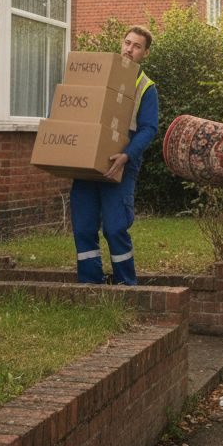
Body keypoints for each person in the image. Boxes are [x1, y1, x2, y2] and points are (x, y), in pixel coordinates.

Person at [70, 26, 158, 286]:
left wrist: (126, 155)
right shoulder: (103, 73)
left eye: (137, 46)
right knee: (84, 227)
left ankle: (126, 286)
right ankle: (90, 286)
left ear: (146, 53)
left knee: (115, 228)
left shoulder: (146, 87)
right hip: (89, 162)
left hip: (121, 165)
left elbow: (149, 128)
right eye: (127, 43)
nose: (129, 49)